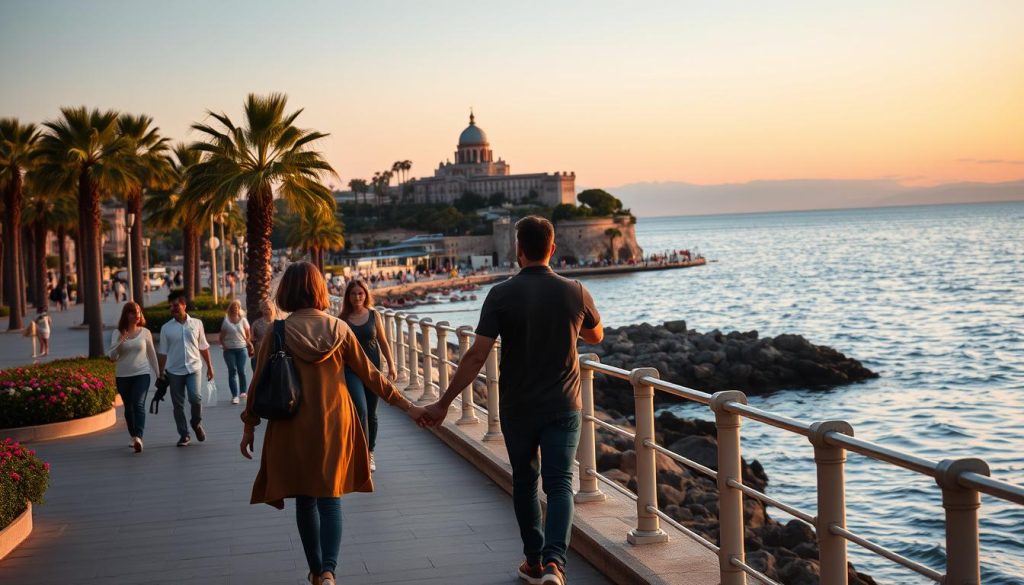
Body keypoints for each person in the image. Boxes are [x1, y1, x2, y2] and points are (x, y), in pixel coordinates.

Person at [423, 216, 604, 585]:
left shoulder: (500, 294)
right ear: (552, 249)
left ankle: (534, 562)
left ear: (518, 250)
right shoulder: (576, 291)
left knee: (524, 482)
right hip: (564, 405)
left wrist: (444, 402)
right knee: (559, 484)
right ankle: (556, 564)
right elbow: (596, 335)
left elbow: (475, 356)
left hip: (517, 406)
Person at [239, 262, 427, 585]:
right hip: (334, 424)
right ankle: (329, 571)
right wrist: (410, 407)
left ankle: (315, 570)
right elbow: (372, 377)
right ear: (319, 290)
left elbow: (257, 383)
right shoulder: (339, 330)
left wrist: (249, 425)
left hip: (292, 427)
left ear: (287, 292)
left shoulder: (278, 331)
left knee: (305, 499)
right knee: (330, 498)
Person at [338, 280, 397, 472]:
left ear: (365, 295)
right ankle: (360, 452)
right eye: (353, 294)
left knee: (371, 413)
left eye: (360, 293)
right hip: (352, 370)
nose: (357, 297)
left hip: (373, 370)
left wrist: (391, 365)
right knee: (360, 410)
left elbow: (383, 341)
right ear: (348, 296)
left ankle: (370, 452)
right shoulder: (342, 319)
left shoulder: (374, 315)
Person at [157, 291, 215, 447]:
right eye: (171, 307)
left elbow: (203, 346)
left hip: (194, 368)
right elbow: (162, 352)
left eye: (176, 305)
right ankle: (184, 435)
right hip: (174, 371)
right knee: (178, 405)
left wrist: (210, 366)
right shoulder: (166, 328)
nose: (173, 309)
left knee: (195, 398)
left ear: (184, 305)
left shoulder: (197, 324)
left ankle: (196, 423)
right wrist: (160, 372)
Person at [107, 302, 159, 453]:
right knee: (128, 408)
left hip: (141, 374)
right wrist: (119, 342)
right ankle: (133, 435)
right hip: (123, 375)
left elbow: (152, 354)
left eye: (138, 312)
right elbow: (112, 356)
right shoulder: (118, 333)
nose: (136, 315)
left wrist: (158, 373)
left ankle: (139, 437)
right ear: (126, 315)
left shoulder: (145, 333)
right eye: (132, 312)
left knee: (138, 403)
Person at [219, 299, 253, 405]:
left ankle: (243, 391)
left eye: (237, 307)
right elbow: (221, 337)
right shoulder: (226, 321)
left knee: (241, 370)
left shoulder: (243, 320)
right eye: (233, 307)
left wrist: (248, 343)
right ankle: (235, 395)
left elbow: (248, 335)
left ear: (239, 308)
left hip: (241, 348)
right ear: (230, 308)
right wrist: (224, 346)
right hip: (229, 350)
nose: (235, 308)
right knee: (232, 370)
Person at [248, 299, 276, 370]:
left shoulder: (278, 323)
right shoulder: (256, 323)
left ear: (273, 309)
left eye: (269, 308)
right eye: (265, 308)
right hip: (259, 354)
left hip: (274, 355)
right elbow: (251, 339)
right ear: (261, 309)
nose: (267, 310)